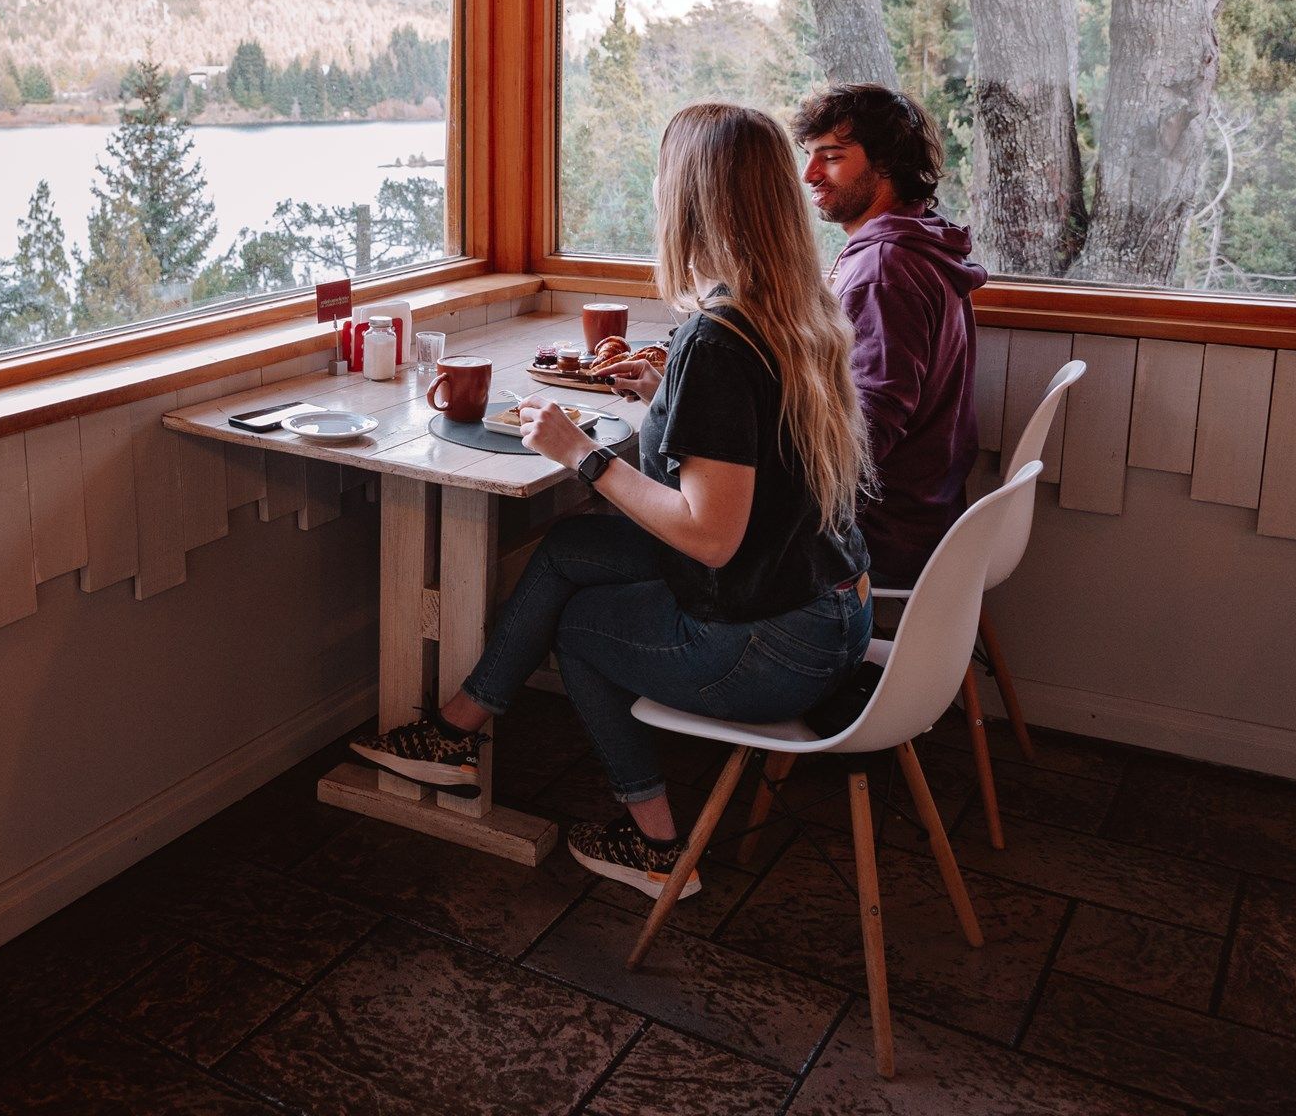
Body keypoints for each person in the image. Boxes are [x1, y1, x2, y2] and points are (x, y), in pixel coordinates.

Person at [352, 103, 875, 899]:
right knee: (567, 548)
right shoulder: (797, 308)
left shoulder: (719, 338)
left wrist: (581, 453)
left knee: (579, 628)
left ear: (693, 199)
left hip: (774, 644)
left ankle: (656, 844)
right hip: (835, 606)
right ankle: (454, 735)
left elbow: (711, 539)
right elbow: (759, 449)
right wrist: (668, 390)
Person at [791, 85, 987, 589]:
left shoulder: (884, 269)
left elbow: (867, 437)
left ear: (886, 164)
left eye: (831, 158)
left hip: (880, 532)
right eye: (810, 157)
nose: (811, 174)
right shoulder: (915, 241)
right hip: (928, 512)